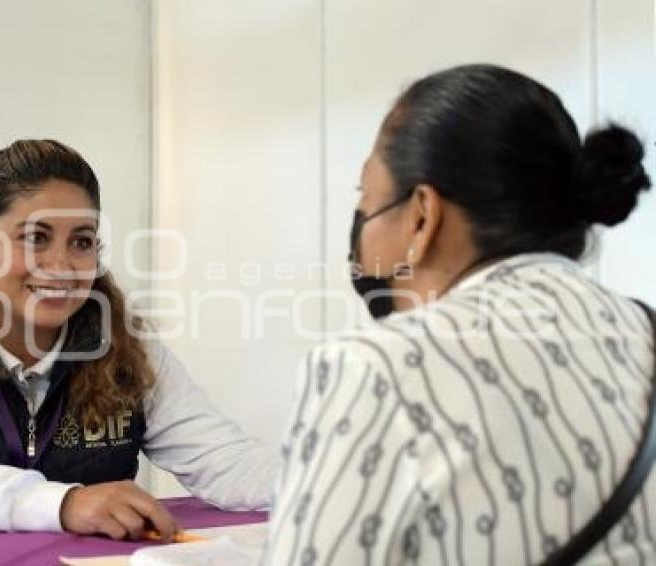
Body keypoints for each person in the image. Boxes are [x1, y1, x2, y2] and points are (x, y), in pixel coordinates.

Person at [265, 64, 654, 565]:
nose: (361, 221)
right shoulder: (646, 335)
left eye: (366, 197)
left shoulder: (375, 369)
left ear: (423, 215)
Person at [0, 139, 276, 539]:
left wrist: (331, 480)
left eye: (82, 242)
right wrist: (61, 504)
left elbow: (228, 464)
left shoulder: (126, 347)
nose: (62, 265)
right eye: (35, 238)